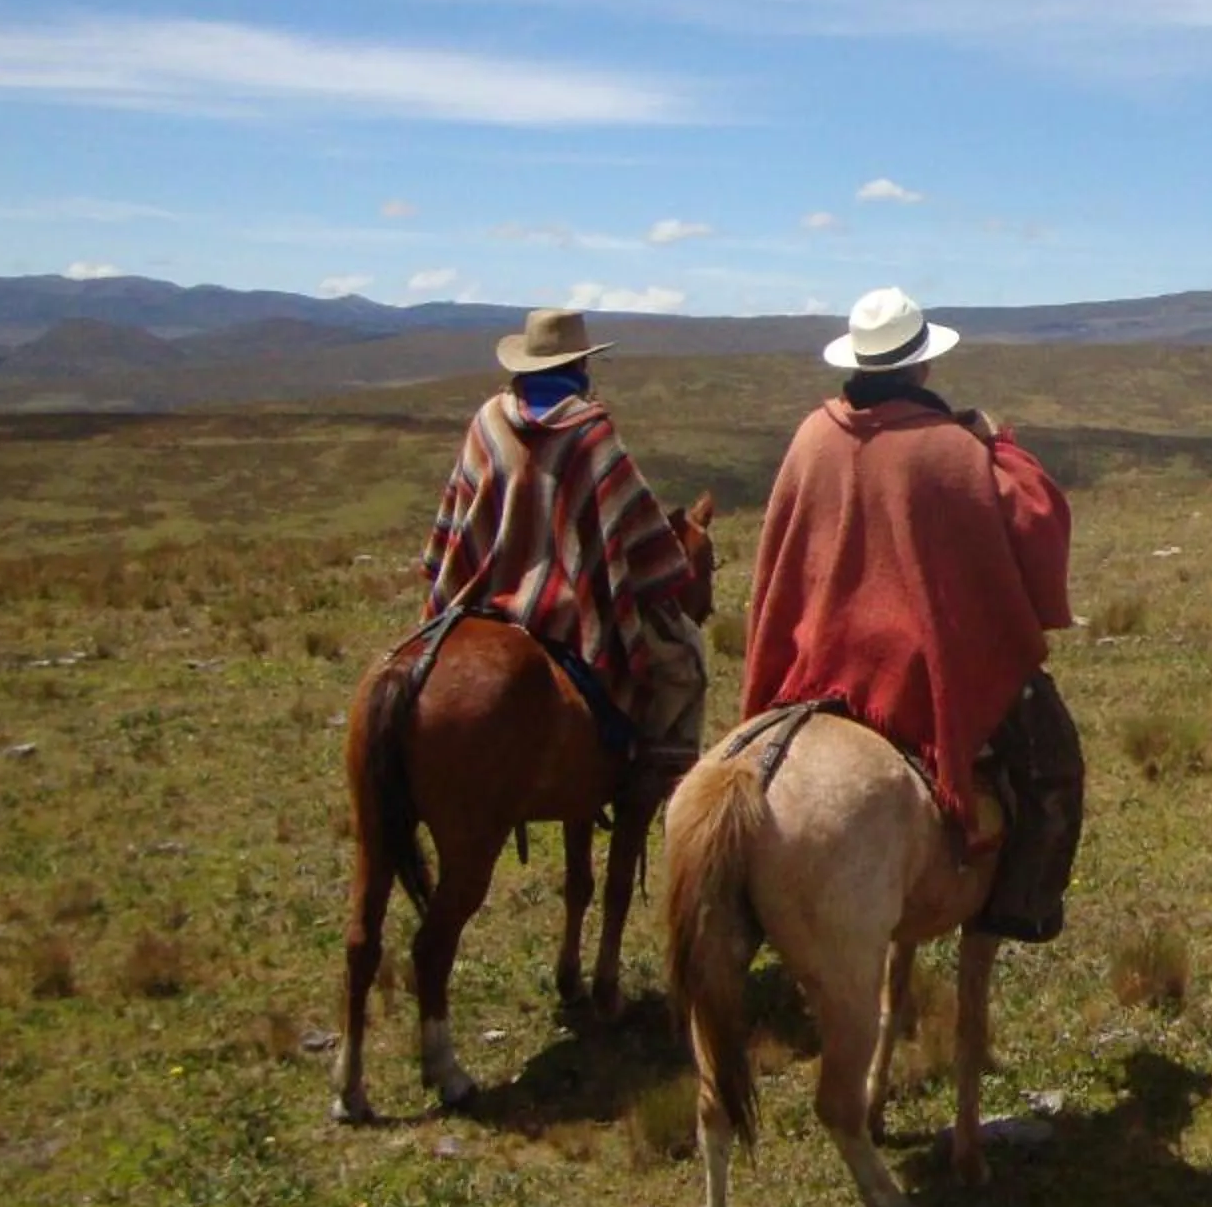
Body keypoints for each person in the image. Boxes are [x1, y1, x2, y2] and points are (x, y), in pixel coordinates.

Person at [740, 287, 1074, 848]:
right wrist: (999, 446)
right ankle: (1019, 906)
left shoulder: (811, 437)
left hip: (812, 659)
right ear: (921, 365)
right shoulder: (949, 446)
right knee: (1054, 758)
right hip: (910, 668)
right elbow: (1036, 517)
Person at [422, 307, 708, 796]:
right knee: (684, 657)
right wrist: (667, 566)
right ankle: (652, 774)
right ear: (579, 366)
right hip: (570, 615)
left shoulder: (487, 422)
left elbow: (457, 521)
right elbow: (636, 528)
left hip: (481, 601)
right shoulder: (591, 431)